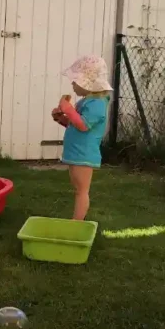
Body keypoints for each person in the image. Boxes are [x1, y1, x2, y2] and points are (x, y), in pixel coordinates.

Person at [51, 55, 112, 221]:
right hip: (77, 152)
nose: (72, 84)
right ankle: (77, 221)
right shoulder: (87, 101)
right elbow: (75, 125)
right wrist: (61, 118)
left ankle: (76, 223)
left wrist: (68, 109)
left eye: (75, 80)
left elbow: (83, 125)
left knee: (81, 191)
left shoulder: (97, 104)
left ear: (88, 83)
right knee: (78, 189)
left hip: (84, 154)